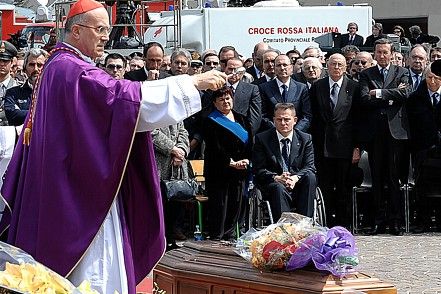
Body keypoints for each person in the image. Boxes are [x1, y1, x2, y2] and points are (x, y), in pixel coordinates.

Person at [0, 1, 226, 293]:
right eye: (101, 29)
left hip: (73, 186)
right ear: (77, 30)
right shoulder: (71, 69)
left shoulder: (60, 67)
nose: (107, 36)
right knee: (95, 275)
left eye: (108, 28)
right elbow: (123, 101)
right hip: (81, 198)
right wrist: (191, 83)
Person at [358, 38, 411, 236]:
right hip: (375, 134)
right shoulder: (366, 74)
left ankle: (395, 221)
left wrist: (379, 93)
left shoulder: (402, 72)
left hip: (396, 134)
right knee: (378, 178)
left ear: (391, 54)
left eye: (385, 52)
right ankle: (378, 220)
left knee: (394, 177)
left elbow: (405, 95)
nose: (382, 55)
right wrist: (391, 98)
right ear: (374, 54)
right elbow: (364, 99)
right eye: (378, 52)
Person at [309, 53, 361, 228]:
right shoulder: (317, 87)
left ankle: (343, 225)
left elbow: (357, 118)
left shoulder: (354, 87)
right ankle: (326, 224)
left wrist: (357, 146)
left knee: (343, 188)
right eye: (333, 64)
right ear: (327, 66)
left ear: (345, 67)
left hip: (345, 146)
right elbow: (313, 117)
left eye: (340, 64)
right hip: (322, 145)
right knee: (325, 187)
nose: (336, 67)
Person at [202, 86, 251, 240]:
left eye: (228, 98)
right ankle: (217, 236)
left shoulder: (242, 119)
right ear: (215, 103)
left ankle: (230, 236)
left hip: (240, 170)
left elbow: (251, 143)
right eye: (221, 99)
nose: (225, 102)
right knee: (220, 205)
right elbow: (214, 147)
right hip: (219, 171)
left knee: (237, 204)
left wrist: (247, 160)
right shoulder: (210, 121)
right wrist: (230, 162)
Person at [253, 103, 316, 221]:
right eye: (279, 119)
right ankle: (285, 228)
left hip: (298, 185)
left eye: (287, 119)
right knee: (278, 188)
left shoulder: (305, 139)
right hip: (274, 185)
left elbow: (310, 166)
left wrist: (296, 178)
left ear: (295, 120)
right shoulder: (262, 139)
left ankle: (305, 226)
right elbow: (258, 169)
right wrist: (276, 177)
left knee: (310, 177)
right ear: (274, 120)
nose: (283, 123)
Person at [407, 61, 441, 232]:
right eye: (429, 77)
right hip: (422, 149)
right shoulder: (415, 98)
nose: (433, 81)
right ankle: (422, 220)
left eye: (436, 78)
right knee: (422, 186)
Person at [259, 54, 311, 132]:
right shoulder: (264, 88)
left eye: (285, 65)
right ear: (275, 68)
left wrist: (294, 132)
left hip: (296, 135)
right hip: (272, 135)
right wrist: (277, 130)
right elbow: (262, 114)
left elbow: (307, 115)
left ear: (291, 67)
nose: (282, 68)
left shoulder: (301, 88)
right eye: (279, 65)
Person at [4, 48, 48, 126]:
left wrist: (23, 112)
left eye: (40, 65)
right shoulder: (13, 93)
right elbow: (12, 116)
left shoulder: (54, 93)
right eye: (31, 65)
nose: (36, 69)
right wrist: (43, 113)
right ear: (25, 69)